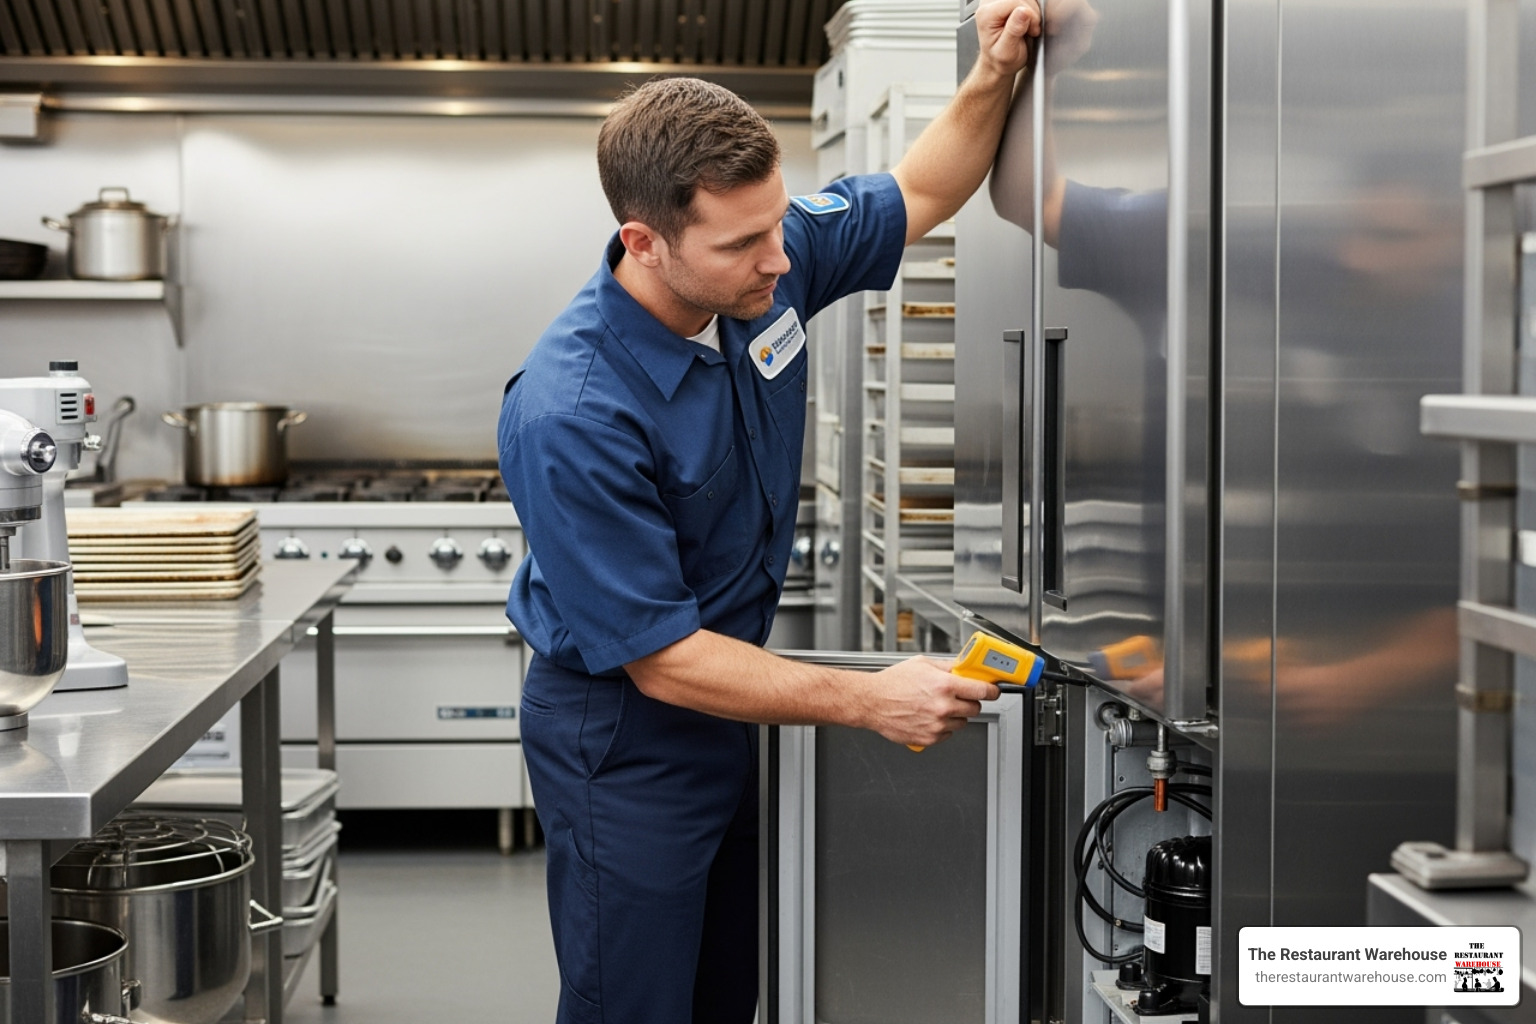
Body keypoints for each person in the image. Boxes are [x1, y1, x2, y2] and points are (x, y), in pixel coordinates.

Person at [497, 4, 1040, 1021]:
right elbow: (660, 656)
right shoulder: (575, 411)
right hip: (623, 738)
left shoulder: (758, 268)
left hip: (726, 707)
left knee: (721, 994)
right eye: (747, 242)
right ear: (644, 241)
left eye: (777, 228)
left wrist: (995, 68)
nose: (780, 261)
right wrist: (871, 700)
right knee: (635, 1004)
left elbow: (923, 189)